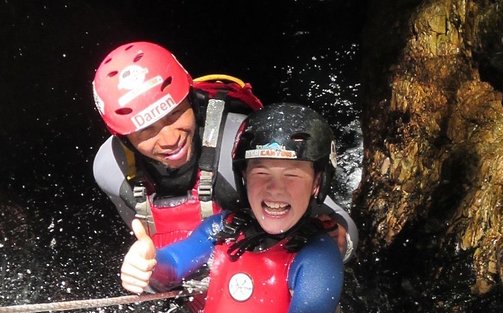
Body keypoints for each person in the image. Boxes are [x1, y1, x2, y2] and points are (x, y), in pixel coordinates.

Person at [121, 103, 346, 313]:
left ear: (317, 183)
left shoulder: (317, 255)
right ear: (243, 178)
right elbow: (174, 264)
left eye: (292, 175)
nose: (275, 189)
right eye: (261, 174)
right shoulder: (223, 229)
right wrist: (148, 263)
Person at [91, 41, 358, 259]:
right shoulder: (111, 170)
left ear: (191, 100)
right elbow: (147, 242)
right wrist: (147, 269)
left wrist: (339, 240)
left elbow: (336, 218)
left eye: (173, 115)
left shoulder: (241, 144)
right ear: (124, 138)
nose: (170, 139)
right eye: (146, 130)